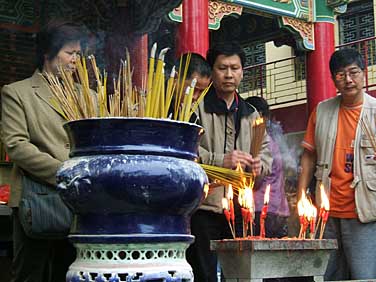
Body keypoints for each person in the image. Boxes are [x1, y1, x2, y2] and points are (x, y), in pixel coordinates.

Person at [1, 20, 83, 282]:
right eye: (69, 53)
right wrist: (63, 171)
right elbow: (16, 145)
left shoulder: (89, 96)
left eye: (78, 54)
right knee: (30, 273)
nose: (75, 61)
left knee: (72, 272)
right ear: (48, 53)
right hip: (36, 196)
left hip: (80, 200)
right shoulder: (18, 93)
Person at [186, 42, 272, 282]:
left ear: (243, 71)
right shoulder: (197, 109)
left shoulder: (252, 114)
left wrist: (259, 166)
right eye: (222, 68)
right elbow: (186, 151)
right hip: (205, 206)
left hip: (240, 207)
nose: (229, 74)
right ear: (212, 71)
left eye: (235, 68)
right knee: (204, 274)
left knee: (240, 274)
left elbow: (265, 155)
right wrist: (220, 160)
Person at [297, 48, 376, 280]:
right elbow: (309, 155)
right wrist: (302, 192)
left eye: (353, 72)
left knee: (364, 276)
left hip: (364, 210)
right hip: (326, 210)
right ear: (333, 80)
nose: (348, 79)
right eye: (340, 75)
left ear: (364, 74)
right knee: (327, 275)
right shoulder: (322, 111)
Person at [245, 96, 289, 238]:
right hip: (279, 209)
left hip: (261, 209)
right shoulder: (273, 141)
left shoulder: (259, 144)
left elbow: (255, 181)